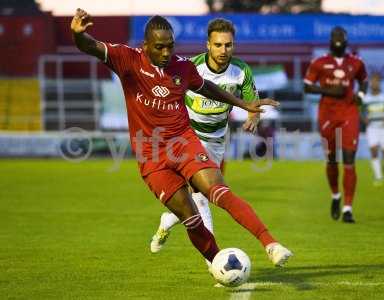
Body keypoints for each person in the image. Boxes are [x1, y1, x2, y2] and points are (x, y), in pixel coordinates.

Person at [71, 9, 292, 268]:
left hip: (184, 142)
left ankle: (270, 244)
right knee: (190, 215)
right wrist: (78, 34)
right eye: (160, 47)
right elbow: (90, 46)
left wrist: (244, 104)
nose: (166, 53)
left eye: (170, 46)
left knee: (218, 192)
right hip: (151, 155)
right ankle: (217, 264)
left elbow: (206, 87)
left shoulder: (183, 67)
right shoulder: (126, 59)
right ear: (146, 47)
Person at [150, 18, 261, 258]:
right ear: (208, 45)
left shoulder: (241, 71)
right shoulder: (192, 67)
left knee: (206, 197)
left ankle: (168, 220)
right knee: (201, 198)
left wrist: (253, 117)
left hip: (218, 140)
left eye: (228, 45)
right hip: (188, 138)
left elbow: (252, 102)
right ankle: (215, 261)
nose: (223, 50)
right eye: (218, 45)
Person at [304, 26, 368, 223]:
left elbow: (363, 80)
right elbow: (307, 86)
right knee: (332, 160)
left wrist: (360, 94)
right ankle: (335, 195)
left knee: (349, 159)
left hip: (349, 113)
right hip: (327, 114)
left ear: (346, 41)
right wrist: (331, 91)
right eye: (335, 37)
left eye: (342, 37)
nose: (338, 40)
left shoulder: (356, 62)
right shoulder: (319, 62)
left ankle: (348, 208)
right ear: (330, 41)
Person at [361, 73, 384, 186]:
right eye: (373, 81)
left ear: (380, 83)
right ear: (370, 83)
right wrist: (364, 119)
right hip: (372, 128)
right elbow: (360, 112)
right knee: (374, 150)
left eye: (377, 81)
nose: (374, 83)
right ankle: (378, 176)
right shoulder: (366, 99)